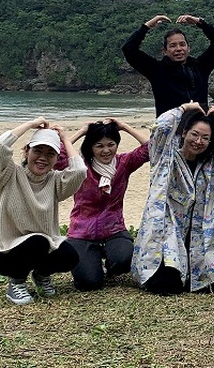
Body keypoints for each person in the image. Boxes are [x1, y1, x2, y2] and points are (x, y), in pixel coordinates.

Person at [131, 102, 214, 295]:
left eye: (205, 138)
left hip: (204, 230)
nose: (198, 141)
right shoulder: (165, 155)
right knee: (166, 283)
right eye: (194, 134)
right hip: (170, 228)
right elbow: (160, 127)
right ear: (184, 132)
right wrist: (185, 108)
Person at [0, 118, 86, 305]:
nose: (43, 158)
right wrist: (30, 125)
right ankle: (16, 283)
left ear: (57, 159)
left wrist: (65, 139)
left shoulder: (55, 181)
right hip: (5, 253)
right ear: (26, 151)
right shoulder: (7, 175)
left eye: (50, 154)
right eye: (37, 151)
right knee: (38, 241)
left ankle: (41, 275)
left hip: (40, 246)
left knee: (69, 256)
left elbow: (79, 172)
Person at [59, 118, 150, 291]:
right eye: (99, 146)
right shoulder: (80, 166)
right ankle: (90, 261)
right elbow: (58, 155)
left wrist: (124, 126)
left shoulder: (124, 163)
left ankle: (110, 262)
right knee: (89, 283)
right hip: (82, 232)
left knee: (124, 260)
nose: (106, 150)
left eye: (111, 144)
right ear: (91, 147)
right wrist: (82, 131)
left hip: (114, 229)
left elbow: (150, 148)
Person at [122, 13, 214, 115]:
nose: (178, 49)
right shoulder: (156, 70)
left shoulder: (200, 67)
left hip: (199, 128)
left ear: (188, 48)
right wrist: (146, 26)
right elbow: (128, 49)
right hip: (170, 128)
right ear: (165, 51)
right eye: (173, 45)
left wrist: (199, 22)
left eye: (182, 44)